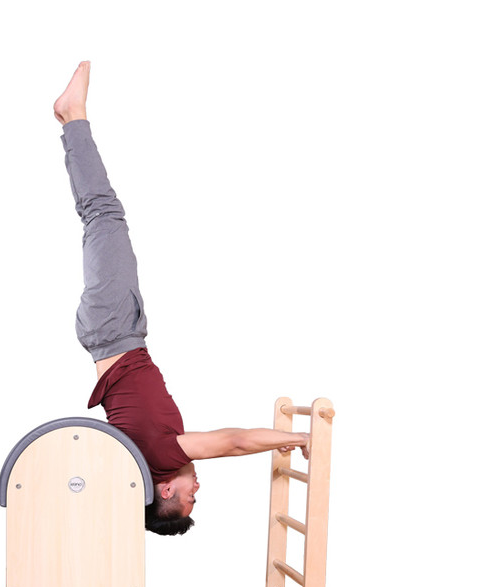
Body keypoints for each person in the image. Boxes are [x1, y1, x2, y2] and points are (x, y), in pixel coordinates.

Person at [54, 62, 309, 536]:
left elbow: (234, 442)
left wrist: (296, 437)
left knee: (102, 214)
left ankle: (73, 117)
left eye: (191, 497)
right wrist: (284, 438)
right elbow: (233, 441)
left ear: (167, 488)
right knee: (100, 217)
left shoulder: (163, 456)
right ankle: (72, 120)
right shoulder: (149, 457)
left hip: (113, 327)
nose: (198, 488)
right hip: (118, 332)